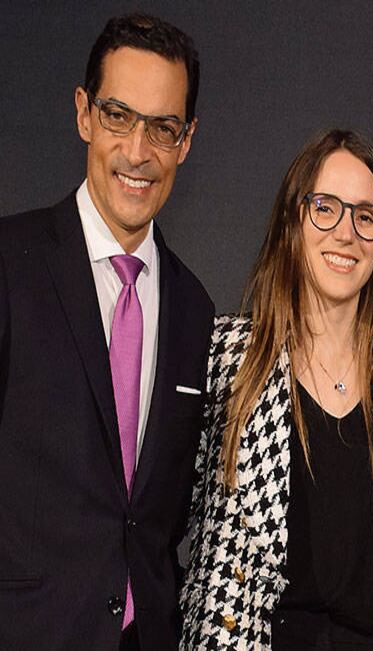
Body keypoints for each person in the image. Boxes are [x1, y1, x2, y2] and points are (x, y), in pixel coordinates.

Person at [0, 14, 212, 651]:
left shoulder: (194, 311)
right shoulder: (11, 264)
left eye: (162, 127)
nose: (139, 151)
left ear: (187, 140)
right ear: (84, 114)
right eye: (119, 116)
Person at [180, 129, 373, 649]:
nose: (346, 232)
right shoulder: (225, 359)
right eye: (326, 208)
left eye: (366, 216)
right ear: (293, 221)